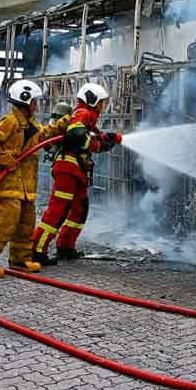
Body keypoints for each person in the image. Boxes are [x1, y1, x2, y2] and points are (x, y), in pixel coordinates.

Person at [0, 81, 72, 278]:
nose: (37, 105)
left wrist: (66, 122)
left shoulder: (31, 126)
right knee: (6, 223)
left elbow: (45, 134)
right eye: (35, 101)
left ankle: (19, 259)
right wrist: (8, 160)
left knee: (26, 224)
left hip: (26, 188)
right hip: (7, 187)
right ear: (25, 101)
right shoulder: (9, 122)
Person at [32, 83, 122, 266]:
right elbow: (76, 135)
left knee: (80, 208)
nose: (103, 106)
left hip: (78, 171)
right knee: (58, 210)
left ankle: (65, 246)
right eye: (101, 102)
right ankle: (37, 250)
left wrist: (107, 140)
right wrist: (98, 145)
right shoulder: (83, 113)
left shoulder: (88, 117)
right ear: (92, 100)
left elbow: (89, 137)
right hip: (68, 169)